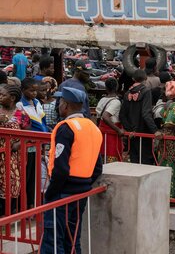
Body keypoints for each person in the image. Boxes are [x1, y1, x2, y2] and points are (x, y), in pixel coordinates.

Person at [41, 87, 103, 254]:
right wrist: (83, 183)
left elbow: (61, 168)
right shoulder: (93, 128)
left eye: (60, 102)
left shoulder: (66, 128)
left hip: (63, 193)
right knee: (73, 240)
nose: (58, 105)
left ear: (66, 105)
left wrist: (51, 193)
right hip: (81, 192)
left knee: (53, 241)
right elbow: (98, 167)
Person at [17, 77, 49, 208]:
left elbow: (42, 121)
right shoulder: (20, 104)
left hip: (38, 144)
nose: (34, 93)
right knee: (26, 176)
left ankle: (31, 203)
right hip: (27, 145)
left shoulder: (37, 102)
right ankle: (23, 205)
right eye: (32, 91)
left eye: (36, 91)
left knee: (34, 177)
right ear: (23, 90)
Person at [119, 70, 162, 165]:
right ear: (145, 78)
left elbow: (122, 115)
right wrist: (155, 130)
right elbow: (146, 114)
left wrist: (130, 130)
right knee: (145, 162)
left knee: (134, 161)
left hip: (132, 134)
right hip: (144, 133)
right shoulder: (146, 91)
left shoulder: (127, 93)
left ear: (133, 79)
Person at [0, 85, 30, 215]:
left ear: (12, 98)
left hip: (12, 156)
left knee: (11, 182)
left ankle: (7, 213)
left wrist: (18, 143)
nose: (0, 97)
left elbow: (28, 133)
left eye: (3, 95)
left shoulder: (21, 114)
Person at [96, 78, 124, 163]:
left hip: (102, 132)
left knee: (102, 156)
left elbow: (98, 117)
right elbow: (105, 116)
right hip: (111, 134)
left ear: (106, 88)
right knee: (112, 157)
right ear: (117, 87)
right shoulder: (116, 102)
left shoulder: (102, 100)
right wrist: (118, 130)